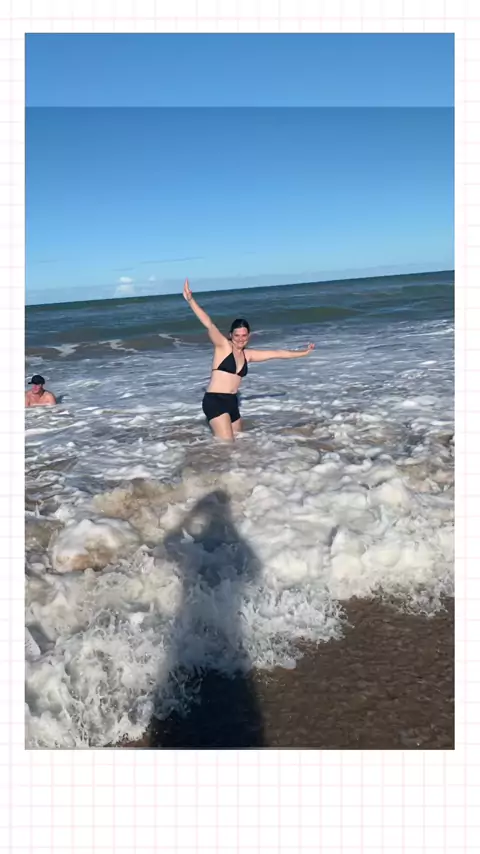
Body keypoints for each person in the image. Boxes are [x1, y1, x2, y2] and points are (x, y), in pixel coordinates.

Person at [183, 278, 315, 441]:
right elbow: (209, 323)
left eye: (244, 335)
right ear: (231, 335)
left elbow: (277, 353)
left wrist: (303, 353)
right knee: (227, 445)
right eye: (237, 335)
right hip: (215, 400)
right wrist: (190, 300)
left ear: (249, 336)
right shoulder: (223, 346)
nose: (240, 339)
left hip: (232, 402)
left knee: (241, 442)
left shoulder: (248, 355)